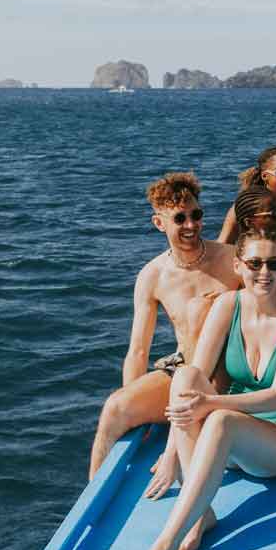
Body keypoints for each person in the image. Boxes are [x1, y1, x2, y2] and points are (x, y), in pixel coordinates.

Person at [113, 225, 276, 550]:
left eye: (274, 264)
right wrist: (173, 449)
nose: (265, 273)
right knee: (186, 375)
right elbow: (196, 378)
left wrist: (211, 403)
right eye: (255, 263)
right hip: (232, 443)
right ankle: (201, 513)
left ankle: (163, 549)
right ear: (238, 266)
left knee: (220, 419)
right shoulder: (228, 305)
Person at [87, 172, 239, 487]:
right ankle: (93, 495)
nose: (191, 225)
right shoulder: (153, 275)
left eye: (196, 215)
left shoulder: (230, 259)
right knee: (115, 409)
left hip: (231, 371)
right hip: (184, 370)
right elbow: (138, 350)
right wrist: (132, 398)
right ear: (159, 223)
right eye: (179, 218)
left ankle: (178, 455)